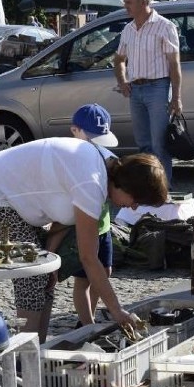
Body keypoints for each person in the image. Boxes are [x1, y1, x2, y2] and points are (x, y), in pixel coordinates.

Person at [0, 138, 168, 342]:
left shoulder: (112, 167)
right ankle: (25, 353)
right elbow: (89, 258)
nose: (133, 207)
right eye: (136, 201)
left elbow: (65, 214)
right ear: (126, 186)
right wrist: (116, 310)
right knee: (32, 275)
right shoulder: (92, 184)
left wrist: (50, 256)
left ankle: (39, 348)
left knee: (45, 273)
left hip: (8, 192)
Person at [113, 0, 183, 185]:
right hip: (136, 90)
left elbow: (174, 64)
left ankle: (164, 190)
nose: (125, 6)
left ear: (143, 2)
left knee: (159, 144)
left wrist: (176, 97)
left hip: (158, 87)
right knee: (143, 144)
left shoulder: (164, 26)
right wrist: (122, 81)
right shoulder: (128, 29)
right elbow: (118, 59)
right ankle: (149, 188)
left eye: (128, 2)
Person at [57, 103, 118, 326]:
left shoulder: (106, 154)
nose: (95, 143)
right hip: (83, 226)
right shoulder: (72, 156)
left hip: (104, 225)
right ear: (75, 131)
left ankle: (89, 315)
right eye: (91, 137)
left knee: (105, 271)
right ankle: (86, 323)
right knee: (84, 279)